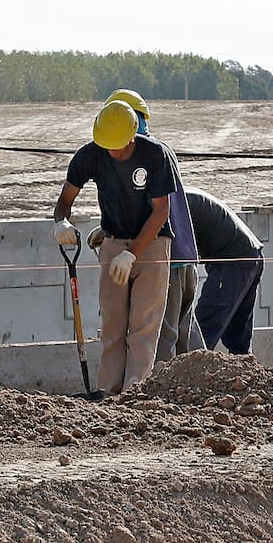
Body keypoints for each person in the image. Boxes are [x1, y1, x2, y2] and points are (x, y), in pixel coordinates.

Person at [53, 100, 174, 395]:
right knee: (112, 328)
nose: (112, 151)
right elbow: (64, 201)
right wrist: (61, 223)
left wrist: (132, 253)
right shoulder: (90, 155)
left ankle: (134, 395)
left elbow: (161, 212)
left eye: (118, 145)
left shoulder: (154, 154)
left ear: (133, 135)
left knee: (143, 328)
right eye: (107, 145)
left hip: (152, 245)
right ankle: (108, 394)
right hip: (112, 243)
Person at [100, 88, 203, 362]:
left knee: (159, 339)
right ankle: (194, 396)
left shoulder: (145, 155)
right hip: (184, 256)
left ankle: (160, 400)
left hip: (165, 260)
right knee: (185, 335)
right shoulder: (162, 150)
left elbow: (153, 211)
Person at [184, 186, 265, 354]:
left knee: (204, 328)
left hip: (233, 262)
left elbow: (179, 264)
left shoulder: (174, 205)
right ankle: (244, 374)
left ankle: (193, 374)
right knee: (237, 335)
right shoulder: (185, 196)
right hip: (251, 255)